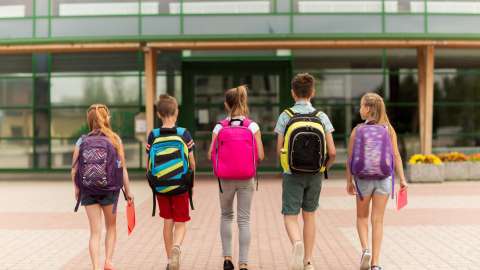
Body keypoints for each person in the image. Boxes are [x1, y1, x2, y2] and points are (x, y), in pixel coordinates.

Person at [274, 73, 336, 270]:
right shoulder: (321, 116)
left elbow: (279, 149)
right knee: (309, 215)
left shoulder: (286, 116)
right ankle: (308, 261)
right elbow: (332, 151)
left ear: (293, 93)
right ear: (313, 92)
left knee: (290, 215)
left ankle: (296, 243)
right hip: (316, 174)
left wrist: (287, 166)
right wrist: (324, 167)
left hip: (292, 173)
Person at [346, 92, 408, 270]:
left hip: (363, 179)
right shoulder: (388, 129)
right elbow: (396, 156)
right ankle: (375, 264)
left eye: (360, 105)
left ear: (368, 108)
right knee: (378, 220)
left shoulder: (357, 130)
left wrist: (349, 181)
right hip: (384, 179)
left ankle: (365, 249)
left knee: (361, 217)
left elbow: (350, 159)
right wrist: (402, 179)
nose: (359, 109)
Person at [208, 85, 265, 270]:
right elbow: (261, 155)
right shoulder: (252, 126)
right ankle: (243, 263)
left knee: (226, 216)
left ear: (226, 104)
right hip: (246, 178)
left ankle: (227, 258)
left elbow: (210, 153)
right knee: (244, 219)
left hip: (225, 179)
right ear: (244, 102)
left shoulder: (219, 127)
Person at [71, 104, 134, 270]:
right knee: (111, 227)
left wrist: (77, 188)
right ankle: (108, 261)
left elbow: (74, 168)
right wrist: (128, 191)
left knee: (94, 232)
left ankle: (95, 267)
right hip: (110, 190)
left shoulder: (81, 140)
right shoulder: (115, 140)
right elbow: (123, 168)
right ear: (107, 119)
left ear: (89, 120)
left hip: (88, 190)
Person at [145, 94, 196, 270]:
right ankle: (176, 248)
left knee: (167, 221)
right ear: (176, 112)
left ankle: (169, 260)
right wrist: (191, 182)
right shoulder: (183, 134)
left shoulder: (153, 135)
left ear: (158, 114)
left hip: (161, 186)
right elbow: (192, 162)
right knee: (180, 223)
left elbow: (148, 164)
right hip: (180, 185)